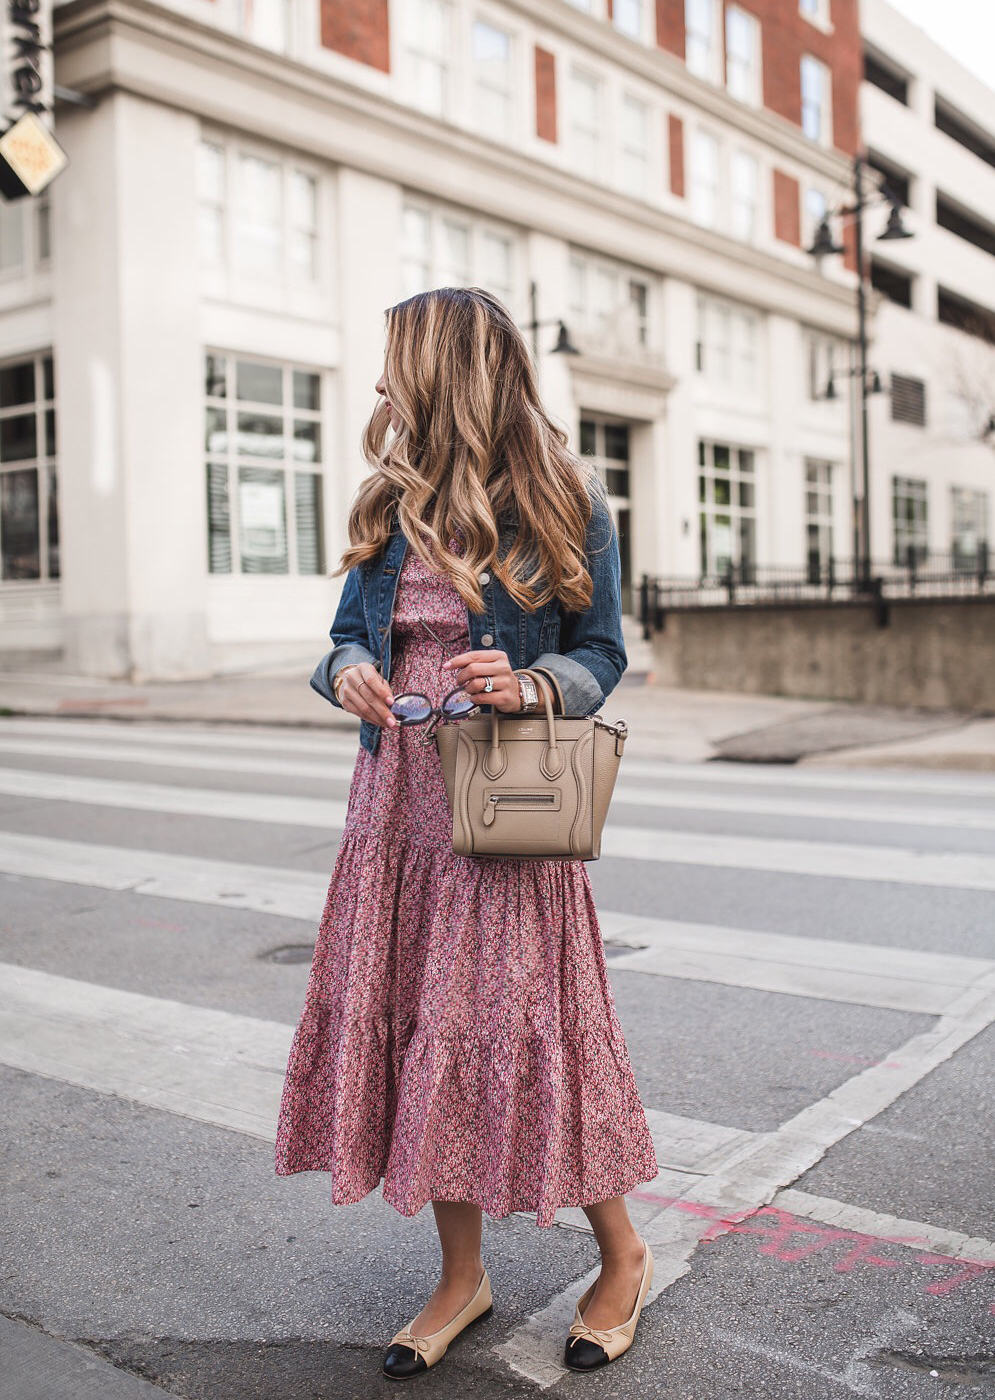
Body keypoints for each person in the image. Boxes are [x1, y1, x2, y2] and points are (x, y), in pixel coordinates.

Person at [275, 286, 658, 1378]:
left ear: (449, 371)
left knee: (535, 1029)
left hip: (504, 805)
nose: (382, 384)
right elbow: (345, 637)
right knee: (421, 1028)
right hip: (395, 811)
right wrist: (346, 668)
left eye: (397, 362)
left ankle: (621, 1252)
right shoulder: (386, 502)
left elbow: (601, 653)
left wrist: (532, 681)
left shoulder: (565, 495)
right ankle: (461, 1275)